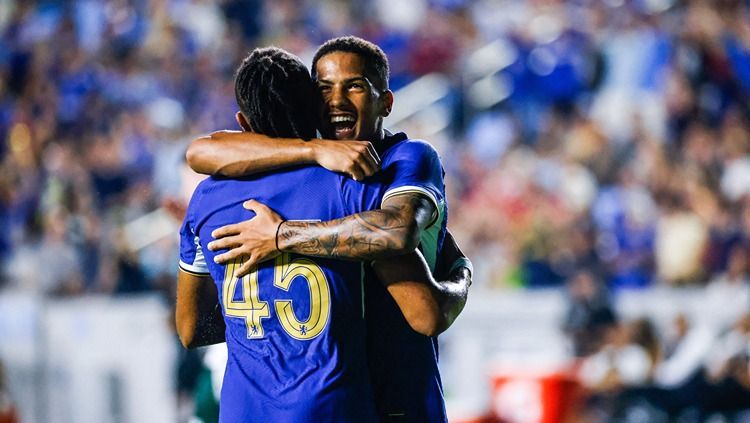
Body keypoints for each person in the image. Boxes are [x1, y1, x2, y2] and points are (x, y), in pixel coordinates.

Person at [176, 46, 469, 422]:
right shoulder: (353, 191)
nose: (336, 100)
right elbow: (426, 312)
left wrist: (278, 248)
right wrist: (461, 273)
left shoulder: (206, 199)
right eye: (324, 88)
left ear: (387, 102)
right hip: (364, 405)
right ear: (309, 104)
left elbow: (192, 327)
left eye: (355, 87)